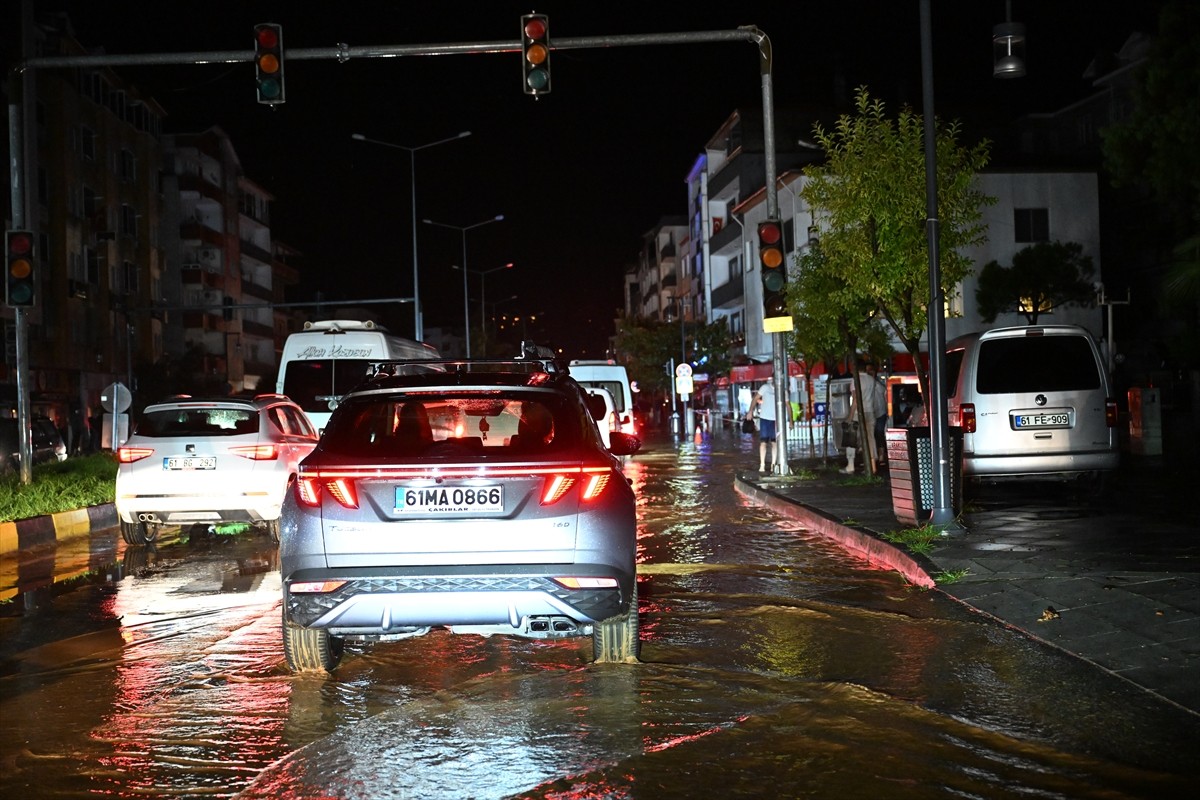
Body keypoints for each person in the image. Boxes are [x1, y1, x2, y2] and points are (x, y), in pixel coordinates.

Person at [844, 361, 888, 473]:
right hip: (870, 412)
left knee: (851, 438)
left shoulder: (855, 380)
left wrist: (850, 416)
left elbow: (855, 400)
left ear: (856, 369)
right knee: (870, 439)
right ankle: (872, 467)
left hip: (858, 412)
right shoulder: (871, 380)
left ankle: (850, 465)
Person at [745, 380, 777, 473]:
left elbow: (787, 405)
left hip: (776, 420)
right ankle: (762, 464)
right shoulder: (765, 388)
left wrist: (790, 420)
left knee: (774, 443)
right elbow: (755, 398)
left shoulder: (782, 390)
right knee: (763, 442)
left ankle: (773, 464)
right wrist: (750, 411)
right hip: (764, 418)